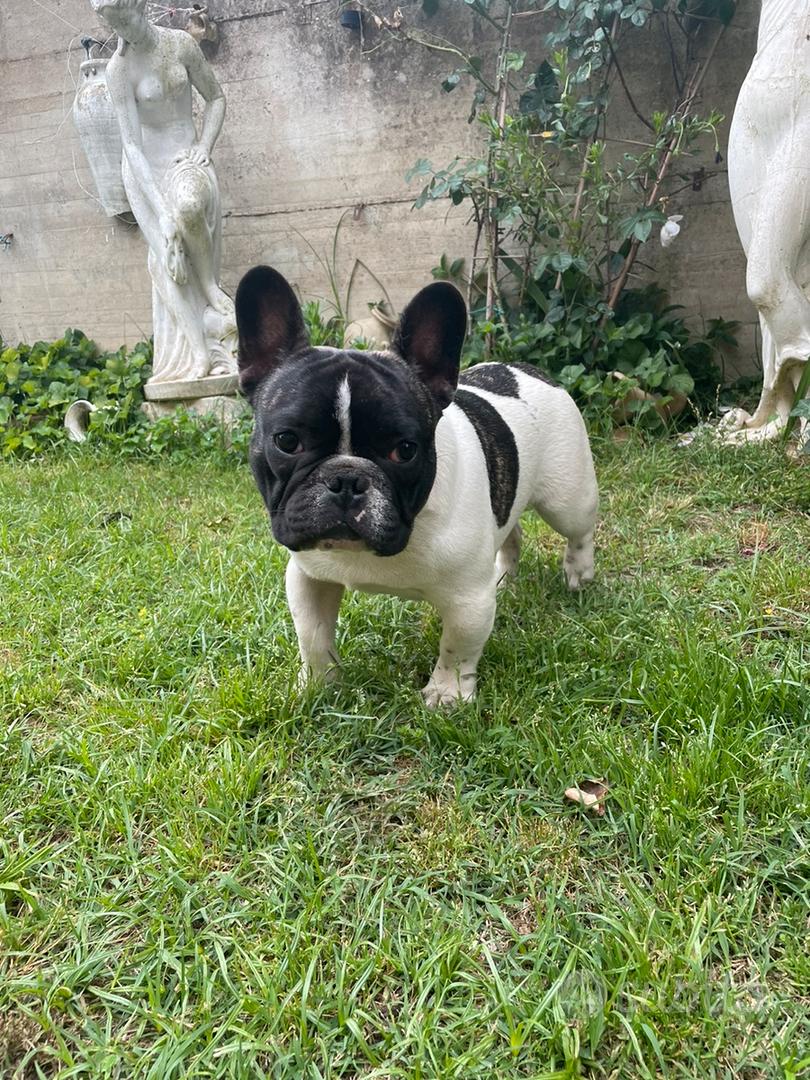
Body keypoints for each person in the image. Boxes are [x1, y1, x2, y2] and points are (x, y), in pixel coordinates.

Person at [93, 0, 236, 384]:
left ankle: (210, 286)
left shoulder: (180, 45)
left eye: (126, 19)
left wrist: (204, 147)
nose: (123, 31)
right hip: (144, 174)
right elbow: (131, 145)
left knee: (189, 207)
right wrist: (160, 210)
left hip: (184, 158)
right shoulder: (118, 70)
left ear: (139, 8)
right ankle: (199, 356)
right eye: (115, 26)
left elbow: (216, 98)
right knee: (166, 265)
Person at [724, 0, 810, 442]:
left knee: (765, 278)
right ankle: (780, 410)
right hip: (756, 103)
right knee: (784, 284)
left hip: (804, 98)